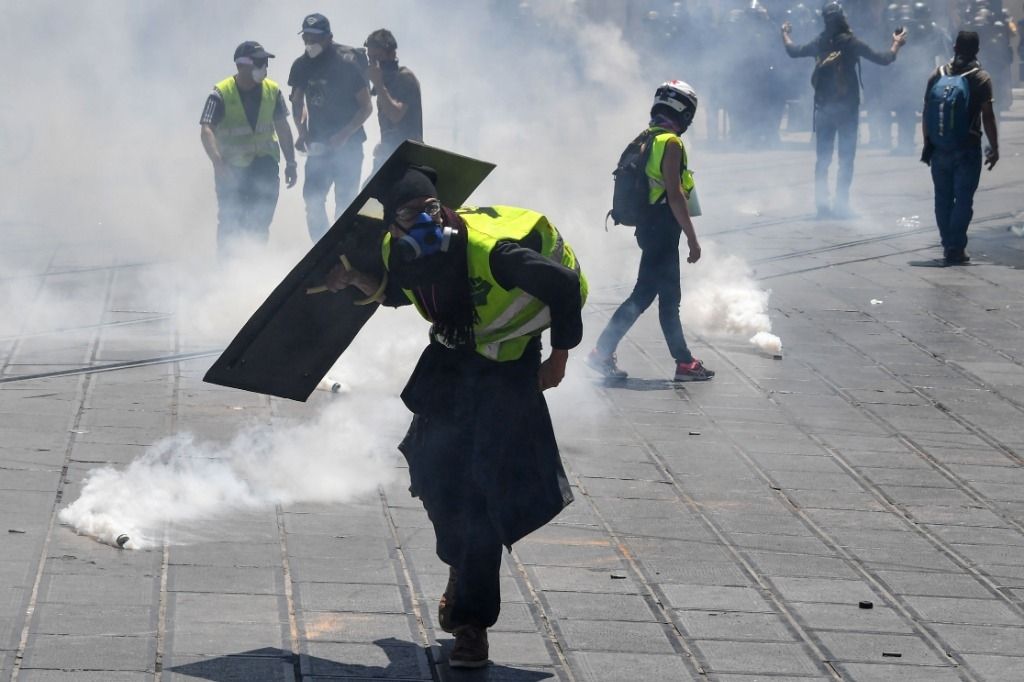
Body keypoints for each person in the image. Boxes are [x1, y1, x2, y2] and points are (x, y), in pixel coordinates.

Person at [322, 166, 586, 668]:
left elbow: (565, 286)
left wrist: (559, 358)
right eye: (408, 216)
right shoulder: (394, 250)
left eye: (428, 210)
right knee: (430, 472)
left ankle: (471, 625)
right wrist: (354, 278)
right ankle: (462, 565)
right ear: (394, 228)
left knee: (479, 500)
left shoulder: (495, 254)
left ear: (441, 210)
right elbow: (403, 291)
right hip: (449, 364)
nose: (422, 222)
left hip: (505, 378)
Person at [586, 81, 714, 383]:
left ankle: (682, 360)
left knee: (660, 297)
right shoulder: (670, 143)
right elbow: (674, 194)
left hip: (648, 226)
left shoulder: (646, 137)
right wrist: (693, 240)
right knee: (650, 298)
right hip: (663, 229)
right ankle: (605, 352)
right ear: (684, 113)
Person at [782, 2, 907, 218]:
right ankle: (841, 204)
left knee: (823, 160)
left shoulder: (820, 42)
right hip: (847, 109)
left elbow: (794, 51)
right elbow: (884, 58)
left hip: (823, 109)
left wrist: (784, 34)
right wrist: (896, 44)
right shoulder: (850, 43)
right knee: (846, 159)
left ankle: (822, 205)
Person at [200, 41, 297, 256]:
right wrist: (217, 163)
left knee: (260, 220)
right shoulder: (221, 93)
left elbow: (283, 127)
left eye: (265, 63)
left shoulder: (273, 91)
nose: (264, 67)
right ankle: (226, 269)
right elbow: (206, 129)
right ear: (241, 65)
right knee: (230, 220)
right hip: (231, 169)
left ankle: (252, 265)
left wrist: (291, 162)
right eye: (259, 62)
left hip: (264, 167)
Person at [289, 13, 373, 242]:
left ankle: (343, 250)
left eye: (315, 37)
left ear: (328, 37)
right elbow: (297, 101)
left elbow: (366, 107)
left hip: (350, 145)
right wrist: (302, 132)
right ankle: (321, 248)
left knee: (345, 204)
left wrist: (344, 134)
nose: (309, 42)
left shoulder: (346, 63)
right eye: (306, 36)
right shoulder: (301, 66)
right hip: (318, 145)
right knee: (312, 200)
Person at [922, 30, 998, 264]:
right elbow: (987, 115)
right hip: (967, 147)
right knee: (963, 199)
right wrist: (994, 147)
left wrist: (928, 145)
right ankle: (956, 246)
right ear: (977, 50)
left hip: (939, 148)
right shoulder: (980, 77)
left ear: (954, 47)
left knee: (942, 197)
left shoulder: (937, 74)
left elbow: (926, 112)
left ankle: (948, 244)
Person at [364, 29, 423, 171]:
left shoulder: (405, 78)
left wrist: (378, 84)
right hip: (388, 155)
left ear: (392, 54)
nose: (374, 63)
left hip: (408, 158)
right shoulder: (385, 82)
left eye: (377, 57)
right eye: (370, 58)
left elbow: (396, 115)